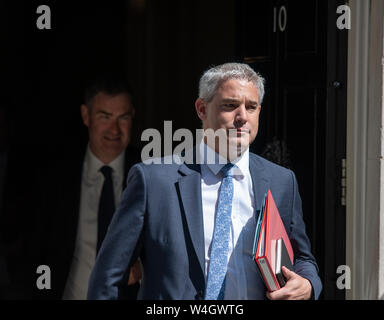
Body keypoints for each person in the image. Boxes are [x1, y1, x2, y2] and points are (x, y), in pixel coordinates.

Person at [87, 63, 322, 300]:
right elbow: (107, 278)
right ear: (202, 109)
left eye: (251, 107)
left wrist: (308, 284)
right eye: (230, 106)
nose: (242, 117)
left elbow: (302, 258)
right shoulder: (153, 180)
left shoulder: (282, 182)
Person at [30, 77, 141, 300]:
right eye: (105, 117)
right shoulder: (54, 178)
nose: (114, 129)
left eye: (123, 118)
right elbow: (36, 253)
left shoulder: (152, 176)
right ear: (85, 115)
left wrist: (145, 269)